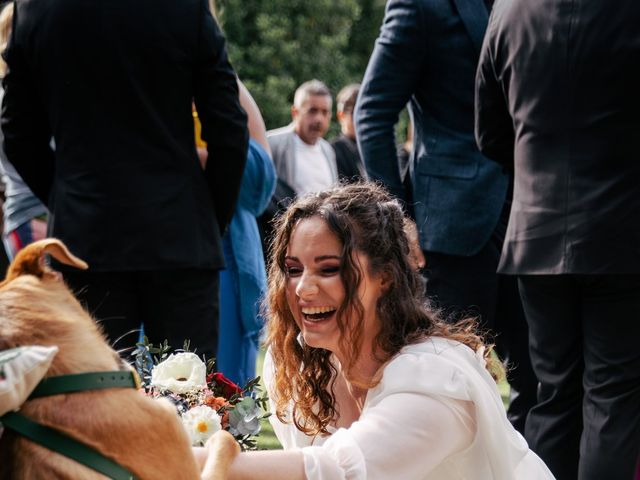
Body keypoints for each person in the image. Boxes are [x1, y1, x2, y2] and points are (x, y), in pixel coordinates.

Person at [197, 183, 553, 479]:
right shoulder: (294, 368)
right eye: (293, 269)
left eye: (329, 269)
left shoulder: (437, 379)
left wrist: (177, 452)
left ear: (384, 277)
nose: (303, 289)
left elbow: (337, 470)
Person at [1, 0, 248, 359]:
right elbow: (228, 128)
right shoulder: (186, 9)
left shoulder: (35, 10)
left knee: (94, 397)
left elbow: (18, 135)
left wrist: (66, 195)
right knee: (190, 398)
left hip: (85, 237)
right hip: (180, 230)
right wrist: (211, 215)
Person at [354, 0, 536, 434]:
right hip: (450, 227)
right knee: (448, 383)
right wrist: (397, 217)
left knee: (542, 379)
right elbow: (373, 112)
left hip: (533, 216)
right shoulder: (420, 6)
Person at [475, 1, 640, 478]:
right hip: (622, 233)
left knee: (552, 393)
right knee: (612, 396)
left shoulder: (508, 11)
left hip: (536, 234)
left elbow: (488, 132)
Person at [215, 81, 276, 386]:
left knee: (226, 390)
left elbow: (259, 184)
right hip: (156, 256)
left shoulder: (223, 81)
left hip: (229, 258)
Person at [268, 79, 337, 197]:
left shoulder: (328, 150)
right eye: (312, 111)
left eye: (325, 112)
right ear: (295, 112)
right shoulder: (271, 144)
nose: (319, 119)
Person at [330, 83, 366, 182]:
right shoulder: (333, 150)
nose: (361, 120)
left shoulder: (373, 148)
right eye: (356, 114)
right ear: (341, 115)